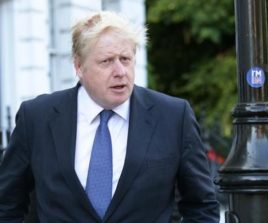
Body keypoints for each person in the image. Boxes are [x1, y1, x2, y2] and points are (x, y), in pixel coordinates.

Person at [0, 11, 220, 222]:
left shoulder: (173, 116)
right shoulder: (37, 118)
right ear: (78, 66)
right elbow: (7, 205)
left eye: (125, 59)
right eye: (106, 61)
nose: (120, 71)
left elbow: (201, 206)